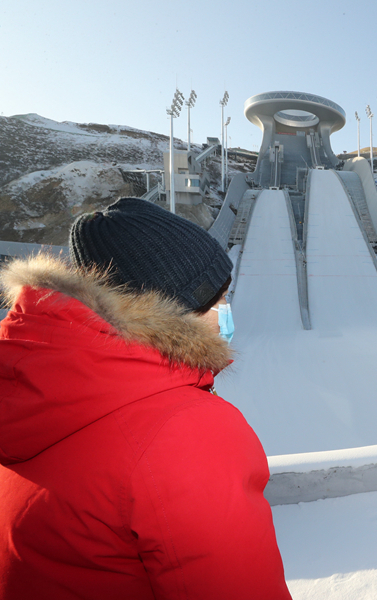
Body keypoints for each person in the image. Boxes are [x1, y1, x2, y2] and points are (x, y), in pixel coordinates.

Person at [0, 198, 291, 599]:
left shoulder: (29, 384)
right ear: (177, 309)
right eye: (218, 299)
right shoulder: (186, 431)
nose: (225, 312)